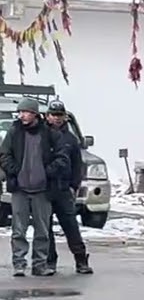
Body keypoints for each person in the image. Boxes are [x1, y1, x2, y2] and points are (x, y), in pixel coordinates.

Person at [1, 98, 71, 277]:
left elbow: (63, 157)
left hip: (42, 189)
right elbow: (4, 154)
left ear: (34, 114)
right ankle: (19, 264)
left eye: (25, 112)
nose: (21, 115)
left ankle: (39, 264)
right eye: (20, 112)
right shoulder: (14, 132)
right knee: (19, 230)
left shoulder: (48, 133)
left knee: (42, 230)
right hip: (20, 189)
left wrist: (48, 172)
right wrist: (14, 171)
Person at [43, 100, 92, 274]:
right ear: (47, 116)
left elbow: (78, 165)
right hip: (44, 188)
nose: (56, 118)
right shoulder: (41, 136)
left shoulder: (71, 139)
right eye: (53, 115)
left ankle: (81, 260)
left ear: (64, 117)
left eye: (59, 115)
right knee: (45, 227)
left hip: (63, 189)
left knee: (70, 225)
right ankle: (49, 261)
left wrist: (74, 186)